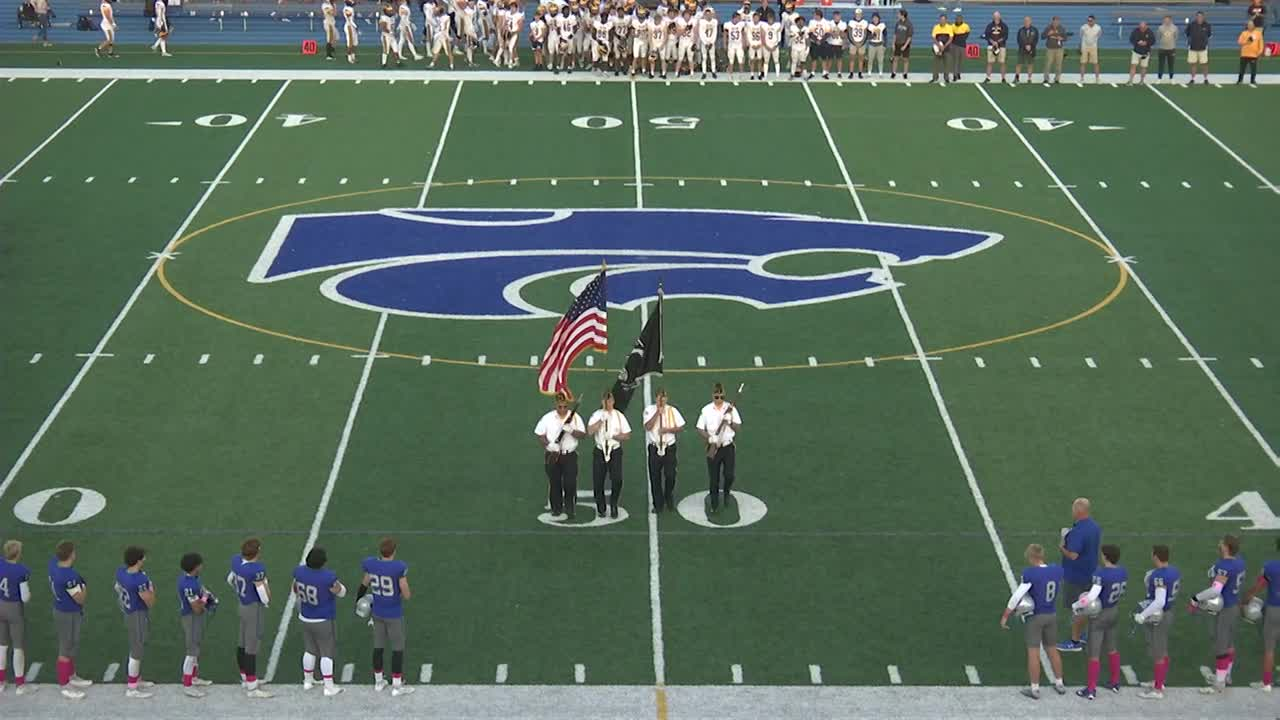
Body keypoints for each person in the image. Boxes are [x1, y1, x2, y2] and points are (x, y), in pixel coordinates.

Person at [999, 544, 1068, 699]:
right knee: (1052, 649)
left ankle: (1035, 688)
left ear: (1031, 557)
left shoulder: (1030, 573)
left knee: (1033, 652)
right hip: (1051, 615)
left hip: (1036, 617)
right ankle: (1060, 683)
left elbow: (1017, 596)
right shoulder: (1056, 570)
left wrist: (1006, 615)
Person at [358, 537, 414, 696]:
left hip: (377, 612)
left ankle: (378, 681)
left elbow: (363, 585)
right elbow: (407, 593)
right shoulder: (398, 567)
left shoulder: (371, 564)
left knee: (378, 647)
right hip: (393, 613)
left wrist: (359, 601)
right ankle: (397, 685)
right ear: (394, 552)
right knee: (397, 648)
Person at [1070, 544, 1127, 700]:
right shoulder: (1122, 571)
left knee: (1094, 653)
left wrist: (1076, 605)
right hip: (1114, 611)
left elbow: (1091, 597)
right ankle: (1115, 681)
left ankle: (1091, 689)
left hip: (1100, 614)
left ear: (1105, 556)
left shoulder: (1101, 574)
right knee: (1112, 648)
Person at [1192, 535, 1246, 694]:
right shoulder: (1240, 561)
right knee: (1229, 643)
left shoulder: (1224, 566)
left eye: (1222, 543)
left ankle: (1220, 683)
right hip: (1234, 605)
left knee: (1221, 646)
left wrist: (1196, 598)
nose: (1219, 544)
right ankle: (1226, 675)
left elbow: (1216, 590)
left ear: (1226, 547)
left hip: (1225, 609)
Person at [292, 547, 347, 697]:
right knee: (326, 652)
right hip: (322, 618)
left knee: (310, 649)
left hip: (305, 615)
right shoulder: (327, 576)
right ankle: (329, 686)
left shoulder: (299, 571)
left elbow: (295, 589)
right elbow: (341, 592)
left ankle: (307, 681)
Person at [1135, 544, 1180, 700]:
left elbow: (1160, 600)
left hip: (1160, 615)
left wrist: (1143, 615)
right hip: (1167, 612)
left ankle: (1158, 689)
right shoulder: (1173, 570)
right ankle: (1160, 682)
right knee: (1161, 649)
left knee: (1158, 652)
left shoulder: (1159, 575)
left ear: (1155, 556)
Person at [229, 537, 272, 698]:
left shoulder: (236, 561)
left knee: (242, 642)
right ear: (257, 552)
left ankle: (245, 678)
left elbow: (230, 579)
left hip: (242, 605)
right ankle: (252, 687)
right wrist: (267, 598)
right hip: (254, 608)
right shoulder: (256, 569)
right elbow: (264, 596)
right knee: (251, 647)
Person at [49, 541, 92, 699]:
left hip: (62, 608)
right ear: (71, 554)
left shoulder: (54, 565)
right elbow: (80, 599)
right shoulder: (69, 576)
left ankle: (71, 676)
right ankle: (64, 684)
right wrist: (84, 586)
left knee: (71, 643)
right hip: (67, 612)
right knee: (65, 648)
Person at [1057, 498, 1101, 652]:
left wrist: (1062, 545)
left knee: (1078, 608)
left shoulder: (1078, 531)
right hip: (1090, 572)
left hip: (1076, 576)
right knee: (1086, 606)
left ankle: (1074, 641)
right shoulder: (1095, 526)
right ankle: (1082, 634)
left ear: (1078, 511)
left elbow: (1073, 555)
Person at [535, 392, 585, 520]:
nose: (562, 409)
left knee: (570, 483)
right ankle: (556, 509)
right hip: (552, 454)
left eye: (565, 407)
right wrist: (548, 446)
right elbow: (540, 435)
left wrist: (572, 431)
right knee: (555, 482)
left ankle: (570, 508)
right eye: (560, 407)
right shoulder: (547, 418)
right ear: (556, 405)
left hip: (569, 455)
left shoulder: (575, 418)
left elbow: (583, 435)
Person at [114, 545, 156, 698]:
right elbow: (150, 601)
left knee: (137, 645)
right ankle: (132, 688)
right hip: (137, 614)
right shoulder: (140, 579)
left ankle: (137, 679)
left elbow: (117, 588)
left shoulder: (121, 572)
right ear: (138, 560)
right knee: (136, 649)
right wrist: (151, 588)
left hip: (129, 611)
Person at [695, 383, 742, 513]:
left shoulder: (731, 409)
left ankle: (726, 492)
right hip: (713, 447)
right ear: (713, 396)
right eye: (717, 397)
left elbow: (738, 427)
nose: (719, 400)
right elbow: (699, 428)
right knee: (714, 479)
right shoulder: (706, 410)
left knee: (729, 475)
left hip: (727, 446)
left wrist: (729, 422)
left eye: (721, 397)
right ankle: (714, 505)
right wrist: (709, 438)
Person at [1241, 537, 1280, 692]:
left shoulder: (1270, 567)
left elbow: (1258, 587)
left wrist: (1244, 600)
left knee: (1269, 648)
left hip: (1274, 610)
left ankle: (1267, 683)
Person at [588, 390, 632, 520]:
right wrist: (600, 422)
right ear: (602, 401)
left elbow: (627, 435)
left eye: (610, 400)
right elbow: (590, 431)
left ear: (613, 401)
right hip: (600, 451)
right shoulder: (597, 415)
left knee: (617, 479)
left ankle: (613, 504)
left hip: (614, 451)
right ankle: (601, 507)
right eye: (606, 401)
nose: (608, 403)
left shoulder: (619, 416)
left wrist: (614, 436)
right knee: (598, 481)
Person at [177, 552, 216, 698]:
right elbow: (197, 608)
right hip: (191, 617)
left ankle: (193, 677)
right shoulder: (190, 585)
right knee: (192, 651)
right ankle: (187, 685)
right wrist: (206, 598)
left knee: (196, 648)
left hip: (193, 617)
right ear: (195, 567)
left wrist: (206, 595)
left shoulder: (191, 579)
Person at [0, 540, 34, 695]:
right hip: (14, 608)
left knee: (2, 645)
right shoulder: (21, 570)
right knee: (18, 646)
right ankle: (20, 684)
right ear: (18, 553)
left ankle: (1, 681)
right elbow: (25, 597)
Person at [644, 388, 685, 513]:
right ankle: (658, 504)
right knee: (655, 477)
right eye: (659, 398)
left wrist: (667, 430)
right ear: (655, 398)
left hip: (669, 447)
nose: (662, 400)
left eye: (664, 398)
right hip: (654, 447)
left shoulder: (672, 411)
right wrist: (657, 413)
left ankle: (668, 494)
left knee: (670, 475)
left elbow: (681, 427)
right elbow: (647, 426)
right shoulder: (649, 410)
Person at [1185, 11, 1212, 84]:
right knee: (1193, 64)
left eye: (1201, 16)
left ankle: (1205, 78)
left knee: (1204, 64)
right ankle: (1192, 78)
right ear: (1196, 17)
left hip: (1203, 48)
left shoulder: (1207, 25)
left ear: (1203, 17)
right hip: (1192, 48)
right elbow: (1187, 34)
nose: (1199, 18)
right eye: (1198, 16)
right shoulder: (1191, 25)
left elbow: (1209, 35)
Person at [982, 11, 1009, 83]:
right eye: (995, 16)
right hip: (991, 46)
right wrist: (993, 42)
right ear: (993, 17)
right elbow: (986, 35)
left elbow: (1005, 36)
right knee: (990, 62)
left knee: (1002, 62)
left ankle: (1003, 78)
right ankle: (988, 77)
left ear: (1000, 17)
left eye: (997, 16)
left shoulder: (1004, 26)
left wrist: (998, 42)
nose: (996, 18)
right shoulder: (989, 26)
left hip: (1001, 46)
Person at [1237, 17, 1264, 86]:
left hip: (1254, 54)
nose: (1250, 26)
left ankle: (1252, 80)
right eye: (1249, 25)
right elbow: (1239, 42)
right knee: (1242, 68)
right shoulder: (1244, 33)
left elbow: (1261, 43)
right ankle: (1240, 80)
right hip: (1244, 54)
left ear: (1254, 26)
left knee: (1253, 69)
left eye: (1251, 25)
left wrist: (1260, 51)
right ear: (1247, 26)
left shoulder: (1258, 33)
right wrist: (1247, 42)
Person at [1127, 20, 1155, 84]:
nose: (1142, 29)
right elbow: (1131, 39)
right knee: (1133, 65)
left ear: (1146, 26)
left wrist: (1146, 43)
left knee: (1143, 67)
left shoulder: (1150, 32)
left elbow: (1153, 41)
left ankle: (1142, 80)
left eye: (1143, 27)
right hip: (1136, 51)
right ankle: (1130, 80)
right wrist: (1137, 42)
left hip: (1145, 52)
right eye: (1140, 27)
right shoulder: (1135, 31)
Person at [929, 13, 953, 85]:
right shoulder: (936, 27)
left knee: (947, 64)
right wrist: (939, 46)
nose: (942, 21)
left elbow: (951, 38)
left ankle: (946, 78)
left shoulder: (949, 27)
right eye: (941, 19)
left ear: (946, 20)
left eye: (944, 19)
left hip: (946, 48)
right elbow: (933, 38)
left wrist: (944, 47)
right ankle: (935, 78)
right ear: (939, 20)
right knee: (936, 64)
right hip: (937, 48)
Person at [1014, 16, 1038, 84]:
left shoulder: (1034, 30)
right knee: (1019, 64)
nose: (1026, 22)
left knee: (1030, 64)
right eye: (1025, 21)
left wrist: (1031, 46)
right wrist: (1025, 46)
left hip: (1031, 50)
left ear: (1030, 22)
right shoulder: (1021, 30)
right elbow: (1018, 40)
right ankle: (1017, 78)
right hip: (1022, 49)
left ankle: (1029, 79)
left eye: (1028, 21)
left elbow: (1036, 40)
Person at [1079, 15, 1102, 83]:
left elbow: (1099, 35)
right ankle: (1082, 78)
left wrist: (1093, 42)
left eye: (1091, 21)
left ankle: (1097, 78)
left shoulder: (1098, 28)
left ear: (1094, 21)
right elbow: (1081, 36)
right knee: (1083, 62)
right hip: (1084, 46)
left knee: (1095, 63)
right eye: (1088, 21)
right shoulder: (1083, 27)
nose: (1089, 22)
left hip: (1093, 47)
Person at [1042, 16, 1065, 84]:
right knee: (1048, 64)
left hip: (1059, 49)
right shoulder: (1048, 28)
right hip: (1050, 49)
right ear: (1052, 21)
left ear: (1059, 21)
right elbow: (1042, 36)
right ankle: (1046, 79)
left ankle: (1057, 79)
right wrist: (1048, 34)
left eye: (1057, 21)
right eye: (1055, 21)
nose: (1056, 22)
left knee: (1058, 64)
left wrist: (1062, 38)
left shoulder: (1062, 28)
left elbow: (1065, 38)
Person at [890, 9, 911, 79]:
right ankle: (893, 73)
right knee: (895, 58)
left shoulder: (909, 24)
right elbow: (895, 34)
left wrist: (905, 46)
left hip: (905, 44)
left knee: (905, 59)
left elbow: (909, 37)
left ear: (902, 15)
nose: (897, 15)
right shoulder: (898, 23)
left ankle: (905, 73)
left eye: (899, 14)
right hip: (897, 43)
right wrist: (893, 43)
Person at [1154, 16, 1177, 82]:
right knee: (1161, 64)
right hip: (1162, 48)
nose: (1166, 21)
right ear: (1163, 21)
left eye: (1168, 20)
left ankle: (1171, 78)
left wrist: (1171, 43)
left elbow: (1176, 37)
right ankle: (1159, 78)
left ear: (1170, 20)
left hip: (1171, 49)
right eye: (1165, 20)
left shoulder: (1174, 28)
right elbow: (1158, 36)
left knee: (1171, 64)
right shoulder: (1160, 28)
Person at [847, 8, 867, 79]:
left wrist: (861, 43)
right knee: (852, 59)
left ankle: (860, 73)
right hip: (853, 43)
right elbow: (849, 34)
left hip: (861, 43)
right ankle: (851, 73)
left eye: (859, 14)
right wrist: (854, 42)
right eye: (857, 14)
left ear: (862, 14)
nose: (858, 15)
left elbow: (865, 34)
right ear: (854, 14)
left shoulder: (864, 22)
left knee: (861, 59)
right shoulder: (851, 22)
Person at [697, 7, 717, 79]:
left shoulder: (714, 21)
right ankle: (704, 72)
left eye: (709, 14)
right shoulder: (702, 22)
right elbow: (701, 33)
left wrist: (712, 42)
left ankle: (713, 71)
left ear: (711, 14)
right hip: (704, 42)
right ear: (704, 15)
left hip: (711, 42)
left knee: (712, 58)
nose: (708, 16)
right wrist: (705, 43)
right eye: (707, 14)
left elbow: (715, 32)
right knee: (704, 58)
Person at [949, 12, 970, 81]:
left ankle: (958, 73)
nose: (958, 20)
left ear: (962, 20)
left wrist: (961, 37)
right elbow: (951, 36)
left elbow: (966, 35)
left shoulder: (966, 26)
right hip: (954, 45)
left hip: (962, 45)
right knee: (955, 61)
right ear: (955, 19)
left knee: (961, 61)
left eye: (959, 19)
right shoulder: (952, 26)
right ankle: (954, 75)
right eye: (957, 19)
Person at [866, 12, 886, 78]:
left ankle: (880, 72)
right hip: (872, 44)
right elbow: (867, 36)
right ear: (872, 19)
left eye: (876, 18)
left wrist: (884, 45)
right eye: (874, 18)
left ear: (879, 18)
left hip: (880, 44)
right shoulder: (870, 26)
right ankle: (869, 72)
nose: (875, 19)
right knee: (870, 59)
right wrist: (872, 36)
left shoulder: (882, 25)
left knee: (880, 60)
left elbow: (885, 35)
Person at [788, 14, 808, 78]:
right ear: (797, 22)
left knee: (803, 62)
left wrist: (807, 48)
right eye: (800, 21)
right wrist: (798, 34)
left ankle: (805, 75)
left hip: (802, 47)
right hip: (795, 47)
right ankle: (792, 74)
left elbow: (807, 38)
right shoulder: (793, 28)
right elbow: (791, 36)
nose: (801, 23)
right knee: (794, 61)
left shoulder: (806, 29)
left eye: (802, 22)